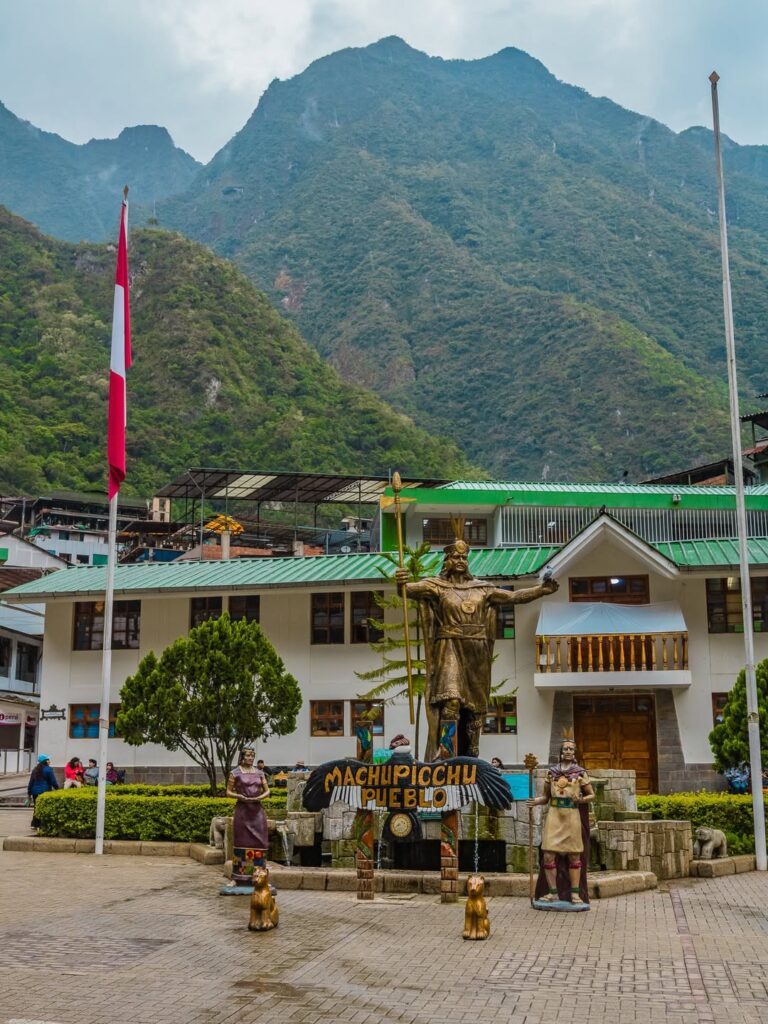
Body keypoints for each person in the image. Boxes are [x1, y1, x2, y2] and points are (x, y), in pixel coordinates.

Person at [396, 526, 558, 759]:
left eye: (463, 557)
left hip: (477, 651)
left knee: (474, 707)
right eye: (455, 556)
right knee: (450, 699)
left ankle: (471, 756)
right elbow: (408, 591)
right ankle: (446, 754)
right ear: (447, 560)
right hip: (449, 645)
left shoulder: (482, 588)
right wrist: (400, 582)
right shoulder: (436, 586)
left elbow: (513, 597)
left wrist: (541, 590)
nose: (460, 560)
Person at [529, 737, 594, 905]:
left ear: (575, 753)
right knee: (549, 855)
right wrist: (535, 801)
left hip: (572, 815)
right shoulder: (552, 773)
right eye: (565, 749)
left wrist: (580, 799)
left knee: (574, 855)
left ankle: (574, 894)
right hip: (554, 815)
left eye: (571, 749)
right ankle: (553, 893)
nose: (568, 751)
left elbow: (591, 795)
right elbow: (545, 797)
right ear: (561, 752)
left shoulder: (580, 773)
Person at [226, 748, 270, 885]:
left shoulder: (260, 773)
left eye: (253, 756)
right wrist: (238, 796)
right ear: (242, 757)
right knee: (241, 842)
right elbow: (228, 791)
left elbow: (267, 791)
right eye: (248, 756)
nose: (251, 758)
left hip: (257, 811)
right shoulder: (235, 773)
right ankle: (237, 877)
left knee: (260, 843)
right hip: (242, 811)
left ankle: (260, 877)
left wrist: (259, 797)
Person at [27, 754, 58, 827]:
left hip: (35, 792)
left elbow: (31, 782)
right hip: (44, 792)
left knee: (36, 808)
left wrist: (29, 792)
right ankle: (42, 824)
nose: (49, 761)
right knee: (44, 808)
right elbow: (53, 781)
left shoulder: (35, 769)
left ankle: (34, 824)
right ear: (45, 761)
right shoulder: (48, 769)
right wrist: (57, 789)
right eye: (48, 760)